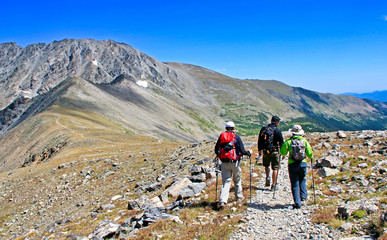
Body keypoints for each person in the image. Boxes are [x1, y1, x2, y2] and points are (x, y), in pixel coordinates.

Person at [214, 121, 252, 210]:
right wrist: (249, 152)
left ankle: (222, 201)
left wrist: (221, 157)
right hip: (235, 162)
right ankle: (239, 197)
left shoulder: (221, 137)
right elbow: (242, 151)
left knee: (226, 181)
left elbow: (216, 149)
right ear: (234, 128)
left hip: (224, 162)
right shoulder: (236, 137)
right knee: (237, 179)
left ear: (226, 128)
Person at [280, 124, 313, 209]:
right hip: (303, 163)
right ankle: (304, 196)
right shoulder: (304, 141)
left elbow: (282, 152)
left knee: (294, 183)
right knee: (302, 179)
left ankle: (297, 203)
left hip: (292, 164)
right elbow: (310, 154)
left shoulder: (289, 142)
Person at [257, 115, 284, 190]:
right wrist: (282, 153)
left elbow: (260, 140)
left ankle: (267, 177)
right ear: (277, 122)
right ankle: (274, 184)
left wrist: (260, 149)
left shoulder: (264, 129)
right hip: (275, 151)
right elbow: (281, 142)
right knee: (275, 168)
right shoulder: (277, 130)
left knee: (266, 165)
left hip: (266, 151)